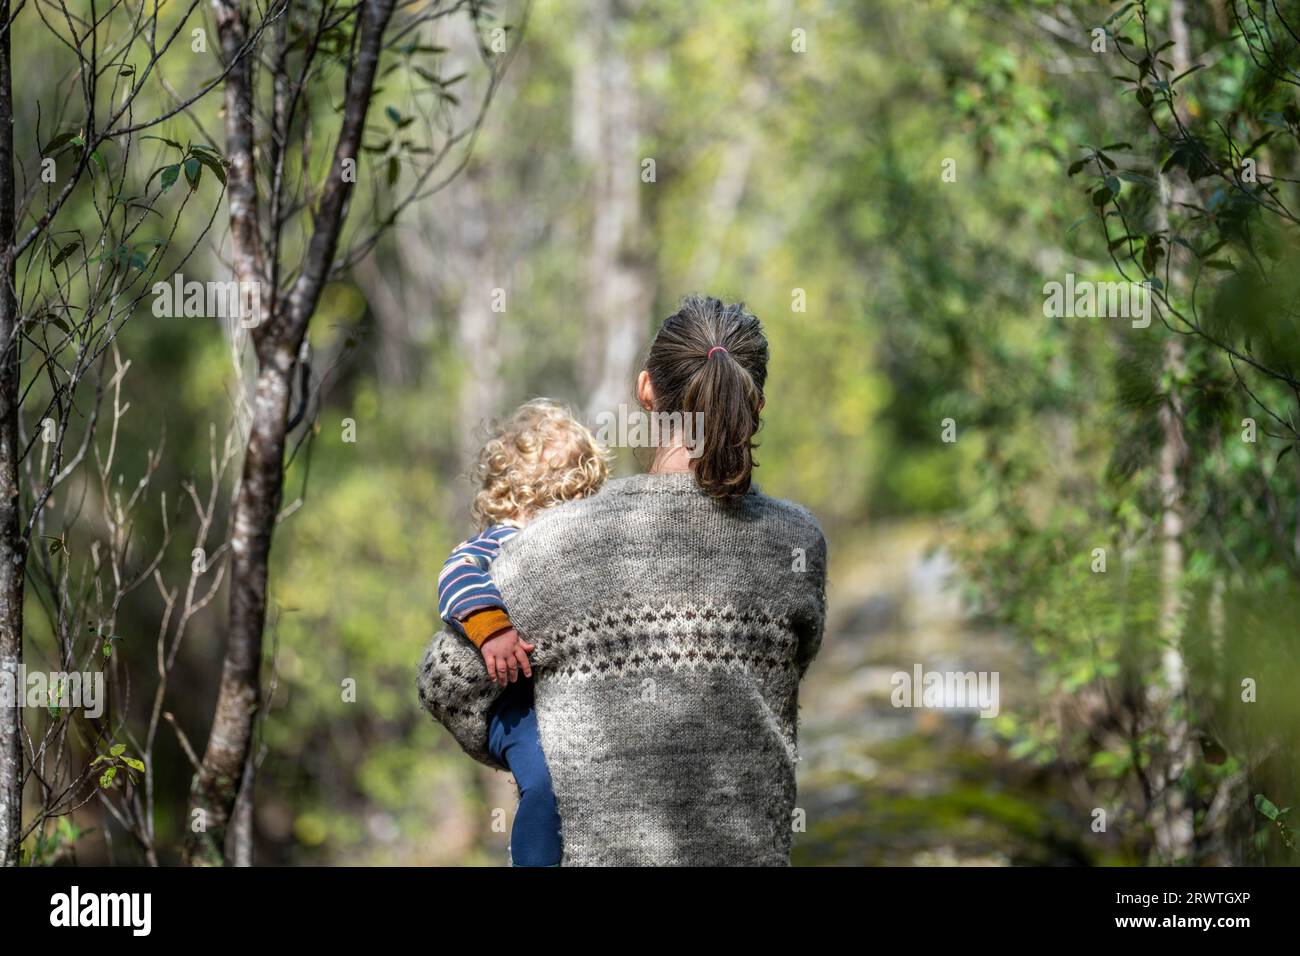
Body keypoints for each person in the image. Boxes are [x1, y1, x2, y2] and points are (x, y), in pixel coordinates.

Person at [419, 294, 828, 865]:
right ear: (754, 404)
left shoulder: (554, 546)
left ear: (645, 391)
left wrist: (541, 755)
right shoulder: (797, 541)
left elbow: (446, 683)